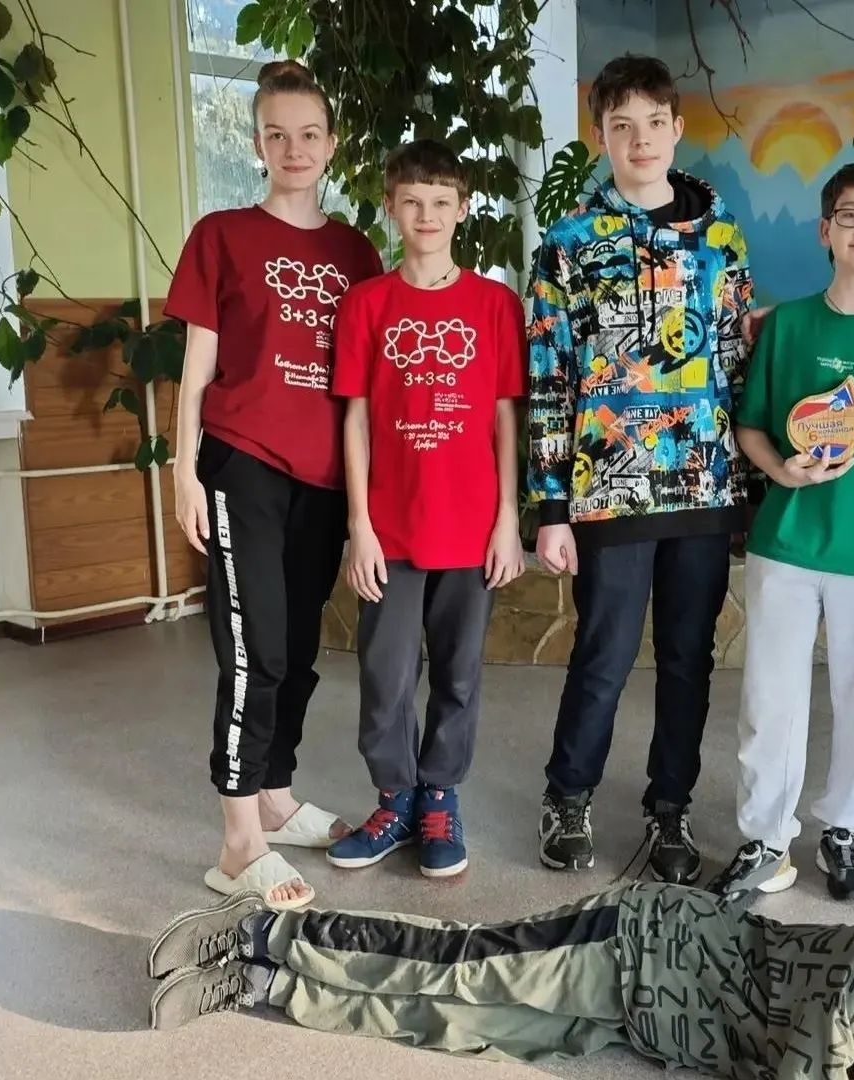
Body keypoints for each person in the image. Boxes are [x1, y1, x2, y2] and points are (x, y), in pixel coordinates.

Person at [144, 874, 854, 1080]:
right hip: (636, 945)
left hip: (642, 1025)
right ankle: (265, 930)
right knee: (456, 967)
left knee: (455, 1028)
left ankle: (263, 988)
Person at [525, 53, 754, 884]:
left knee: (689, 659)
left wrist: (750, 486)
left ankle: (670, 807)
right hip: (609, 489)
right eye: (622, 126)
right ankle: (568, 795)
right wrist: (550, 507)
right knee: (605, 655)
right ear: (601, 137)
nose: (640, 140)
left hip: (703, 484)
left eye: (654, 123)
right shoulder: (567, 245)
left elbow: (735, 366)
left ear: (677, 128)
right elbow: (549, 378)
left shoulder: (723, 240)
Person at [168, 59, 385, 910]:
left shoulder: (355, 251)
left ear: (331, 144)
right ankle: (237, 842)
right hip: (243, 461)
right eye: (276, 134)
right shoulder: (222, 236)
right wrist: (183, 469)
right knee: (252, 647)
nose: (293, 148)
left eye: (308, 134)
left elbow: (366, 382)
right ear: (257, 143)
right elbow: (197, 370)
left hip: (324, 476)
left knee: (295, 650)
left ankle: (276, 796)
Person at [704, 161, 854, 906]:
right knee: (768, 699)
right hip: (789, 542)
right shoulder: (789, 324)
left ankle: (843, 829)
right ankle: (766, 838)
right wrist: (782, 469)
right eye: (849, 215)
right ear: (825, 230)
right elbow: (750, 427)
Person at [324, 139, 528, 880]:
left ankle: (439, 797)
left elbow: (505, 417)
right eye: (412, 201)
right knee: (385, 673)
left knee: (459, 672)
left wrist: (508, 519)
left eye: (441, 201)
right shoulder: (367, 304)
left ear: (463, 209)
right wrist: (360, 526)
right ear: (390, 206)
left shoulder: (495, 305)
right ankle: (394, 799)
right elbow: (354, 419)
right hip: (391, 527)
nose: (426, 215)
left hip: (471, 527)